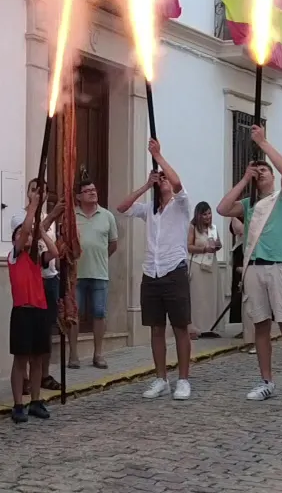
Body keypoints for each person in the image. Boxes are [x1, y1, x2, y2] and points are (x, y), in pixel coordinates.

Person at [217, 127, 282, 403]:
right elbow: (223, 208)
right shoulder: (249, 204)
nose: (261, 175)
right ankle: (266, 380)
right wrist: (245, 177)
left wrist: (262, 143)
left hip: (280, 266)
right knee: (260, 326)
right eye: (257, 173)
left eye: (264, 172)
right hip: (254, 268)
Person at [119, 139, 195, 400]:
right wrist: (145, 185)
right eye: (159, 178)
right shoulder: (148, 210)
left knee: (181, 327)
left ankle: (183, 379)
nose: (163, 180)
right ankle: (161, 378)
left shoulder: (181, 205)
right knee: (155, 328)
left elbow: (178, 184)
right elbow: (122, 207)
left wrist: (159, 157)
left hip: (174, 270)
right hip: (151, 272)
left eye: (164, 178)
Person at [6, 177, 63, 390]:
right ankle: (23, 385)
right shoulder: (19, 218)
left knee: (44, 336)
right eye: (34, 189)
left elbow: (53, 251)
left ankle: (42, 378)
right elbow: (26, 232)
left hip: (47, 280)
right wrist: (34, 207)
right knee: (23, 350)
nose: (40, 193)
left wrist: (47, 222)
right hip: (24, 304)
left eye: (43, 191)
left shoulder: (48, 219)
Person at [69, 179, 120, 368]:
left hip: (100, 273)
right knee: (73, 315)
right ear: (79, 197)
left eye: (94, 189)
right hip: (76, 274)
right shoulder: (72, 216)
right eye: (87, 190)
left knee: (99, 313)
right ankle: (73, 355)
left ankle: (98, 354)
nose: (92, 192)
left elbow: (113, 244)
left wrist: (101, 257)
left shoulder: (107, 216)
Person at [187, 202, 223, 341]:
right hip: (197, 264)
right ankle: (198, 328)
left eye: (209, 213)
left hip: (211, 264)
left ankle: (211, 327)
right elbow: (188, 246)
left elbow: (217, 242)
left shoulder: (213, 228)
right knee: (199, 297)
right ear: (199, 215)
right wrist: (203, 249)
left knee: (211, 296)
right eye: (205, 214)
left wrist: (218, 245)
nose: (208, 217)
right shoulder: (193, 227)